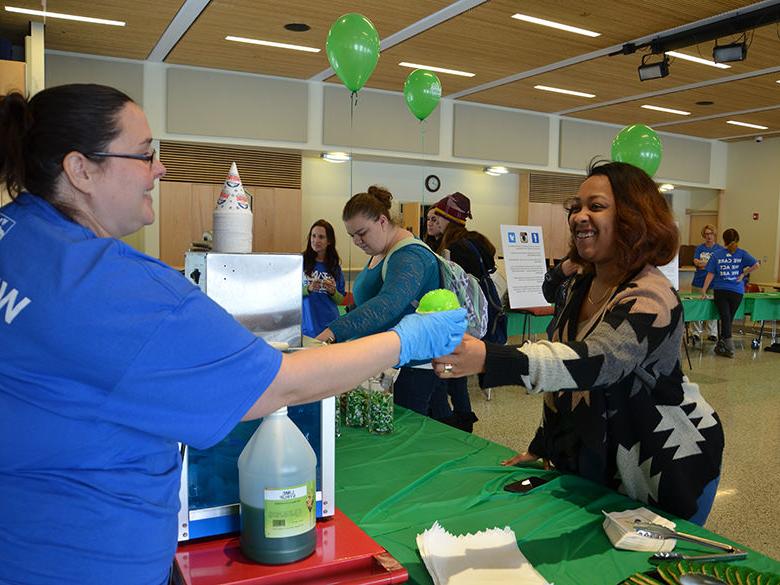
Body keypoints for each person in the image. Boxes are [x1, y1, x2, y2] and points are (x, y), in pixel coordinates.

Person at [0, 84, 467, 585]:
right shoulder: (114, 287)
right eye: (145, 154)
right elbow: (280, 384)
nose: (159, 169)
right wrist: (408, 340)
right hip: (83, 560)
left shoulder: (16, 236)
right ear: (81, 169)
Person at [433, 161, 724, 524]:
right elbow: (567, 383)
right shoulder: (578, 286)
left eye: (596, 206)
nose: (579, 217)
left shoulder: (652, 297)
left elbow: (595, 362)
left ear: (633, 217)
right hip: (599, 470)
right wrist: (543, 447)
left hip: (665, 469)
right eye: (576, 207)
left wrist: (491, 358)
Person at [316, 186, 453, 421]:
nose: (357, 241)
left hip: (411, 367)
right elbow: (365, 301)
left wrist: (333, 332)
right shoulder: (382, 250)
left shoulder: (409, 256)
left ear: (382, 221)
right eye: (352, 236)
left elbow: (388, 304)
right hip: (387, 361)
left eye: (362, 233)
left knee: (403, 439)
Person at [425, 192, 503, 432]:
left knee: (448, 371)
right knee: (456, 372)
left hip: (455, 319)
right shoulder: (473, 242)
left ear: (450, 219)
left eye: (437, 218)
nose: (431, 222)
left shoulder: (455, 249)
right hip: (471, 318)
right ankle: (463, 418)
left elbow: (454, 288)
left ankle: (451, 421)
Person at [701, 228, 759, 358]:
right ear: (737, 239)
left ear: (724, 240)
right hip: (737, 291)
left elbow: (710, 273)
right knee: (728, 318)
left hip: (721, 290)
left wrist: (704, 289)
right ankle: (723, 345)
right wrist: (743, 273)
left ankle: (728, 346)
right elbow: (757, 264)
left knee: (725, 317)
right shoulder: (742, 253)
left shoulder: (717, 254)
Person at [302, 219, 344, 338]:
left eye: (321, 237)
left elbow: (340, 300)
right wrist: (308, 289)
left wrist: (333, 292)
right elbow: (291, 294)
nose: (316, 240)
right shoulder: (301, 262)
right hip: (308, 327)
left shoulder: (335, 266)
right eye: (313, 236)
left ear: (329, 241)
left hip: (330, 326)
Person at [691, 224, 723, 345]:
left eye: (710, 234)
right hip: (698, 281)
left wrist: (704, 263)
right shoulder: (700, 248)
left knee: (712, 307)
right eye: (706, 234)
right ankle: (695, 332)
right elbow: (696, 262)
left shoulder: (719, 249)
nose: (708, 236)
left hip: (714, 283)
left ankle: (712, 333)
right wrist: (709, 264)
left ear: (714, 235)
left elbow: (717, 266)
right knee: (697, 306)